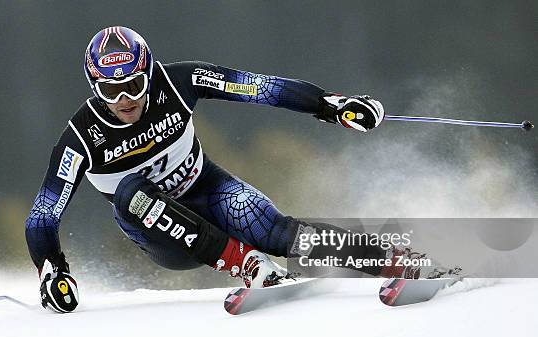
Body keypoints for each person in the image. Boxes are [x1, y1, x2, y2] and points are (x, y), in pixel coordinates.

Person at [26, 26, 392, 313]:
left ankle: (389, 260)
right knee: (130, 191)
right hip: (163, 236)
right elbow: (44, 213)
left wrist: (329, 105)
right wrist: (52, 270)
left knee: (272, 229)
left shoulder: (180, 81)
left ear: (149, 73)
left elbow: (258, 88)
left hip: (205, 189)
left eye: (134, 85)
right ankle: (247, 265)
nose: (125, 100)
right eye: (111, 91)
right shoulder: (80, 137)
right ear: (95, 88)